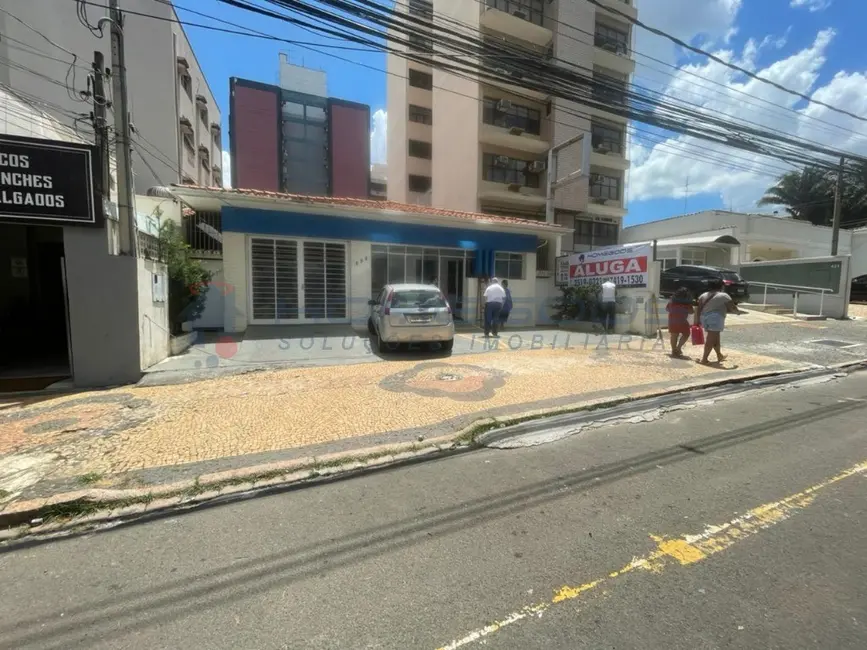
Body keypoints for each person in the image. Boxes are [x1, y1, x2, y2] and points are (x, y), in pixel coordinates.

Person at [694, 279, 741, 364]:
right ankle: (704, 359)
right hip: (715, 318)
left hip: (704, 318)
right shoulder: (724, 295)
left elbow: (699, 308)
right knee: (710, 339)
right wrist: (737, 312)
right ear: (721, 286)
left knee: (715, 337)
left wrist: (697, 320)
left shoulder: (703, 295)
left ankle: (719, 355)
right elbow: (732, 307)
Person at [666, 287, 694, 357]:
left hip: (672, 321)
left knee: (674, 335)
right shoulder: (687, 303)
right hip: (682, 321)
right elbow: (691, 312)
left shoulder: (672, 301)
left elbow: (667, 309)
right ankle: (678, 348)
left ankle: (673, 350)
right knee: (686, 334)